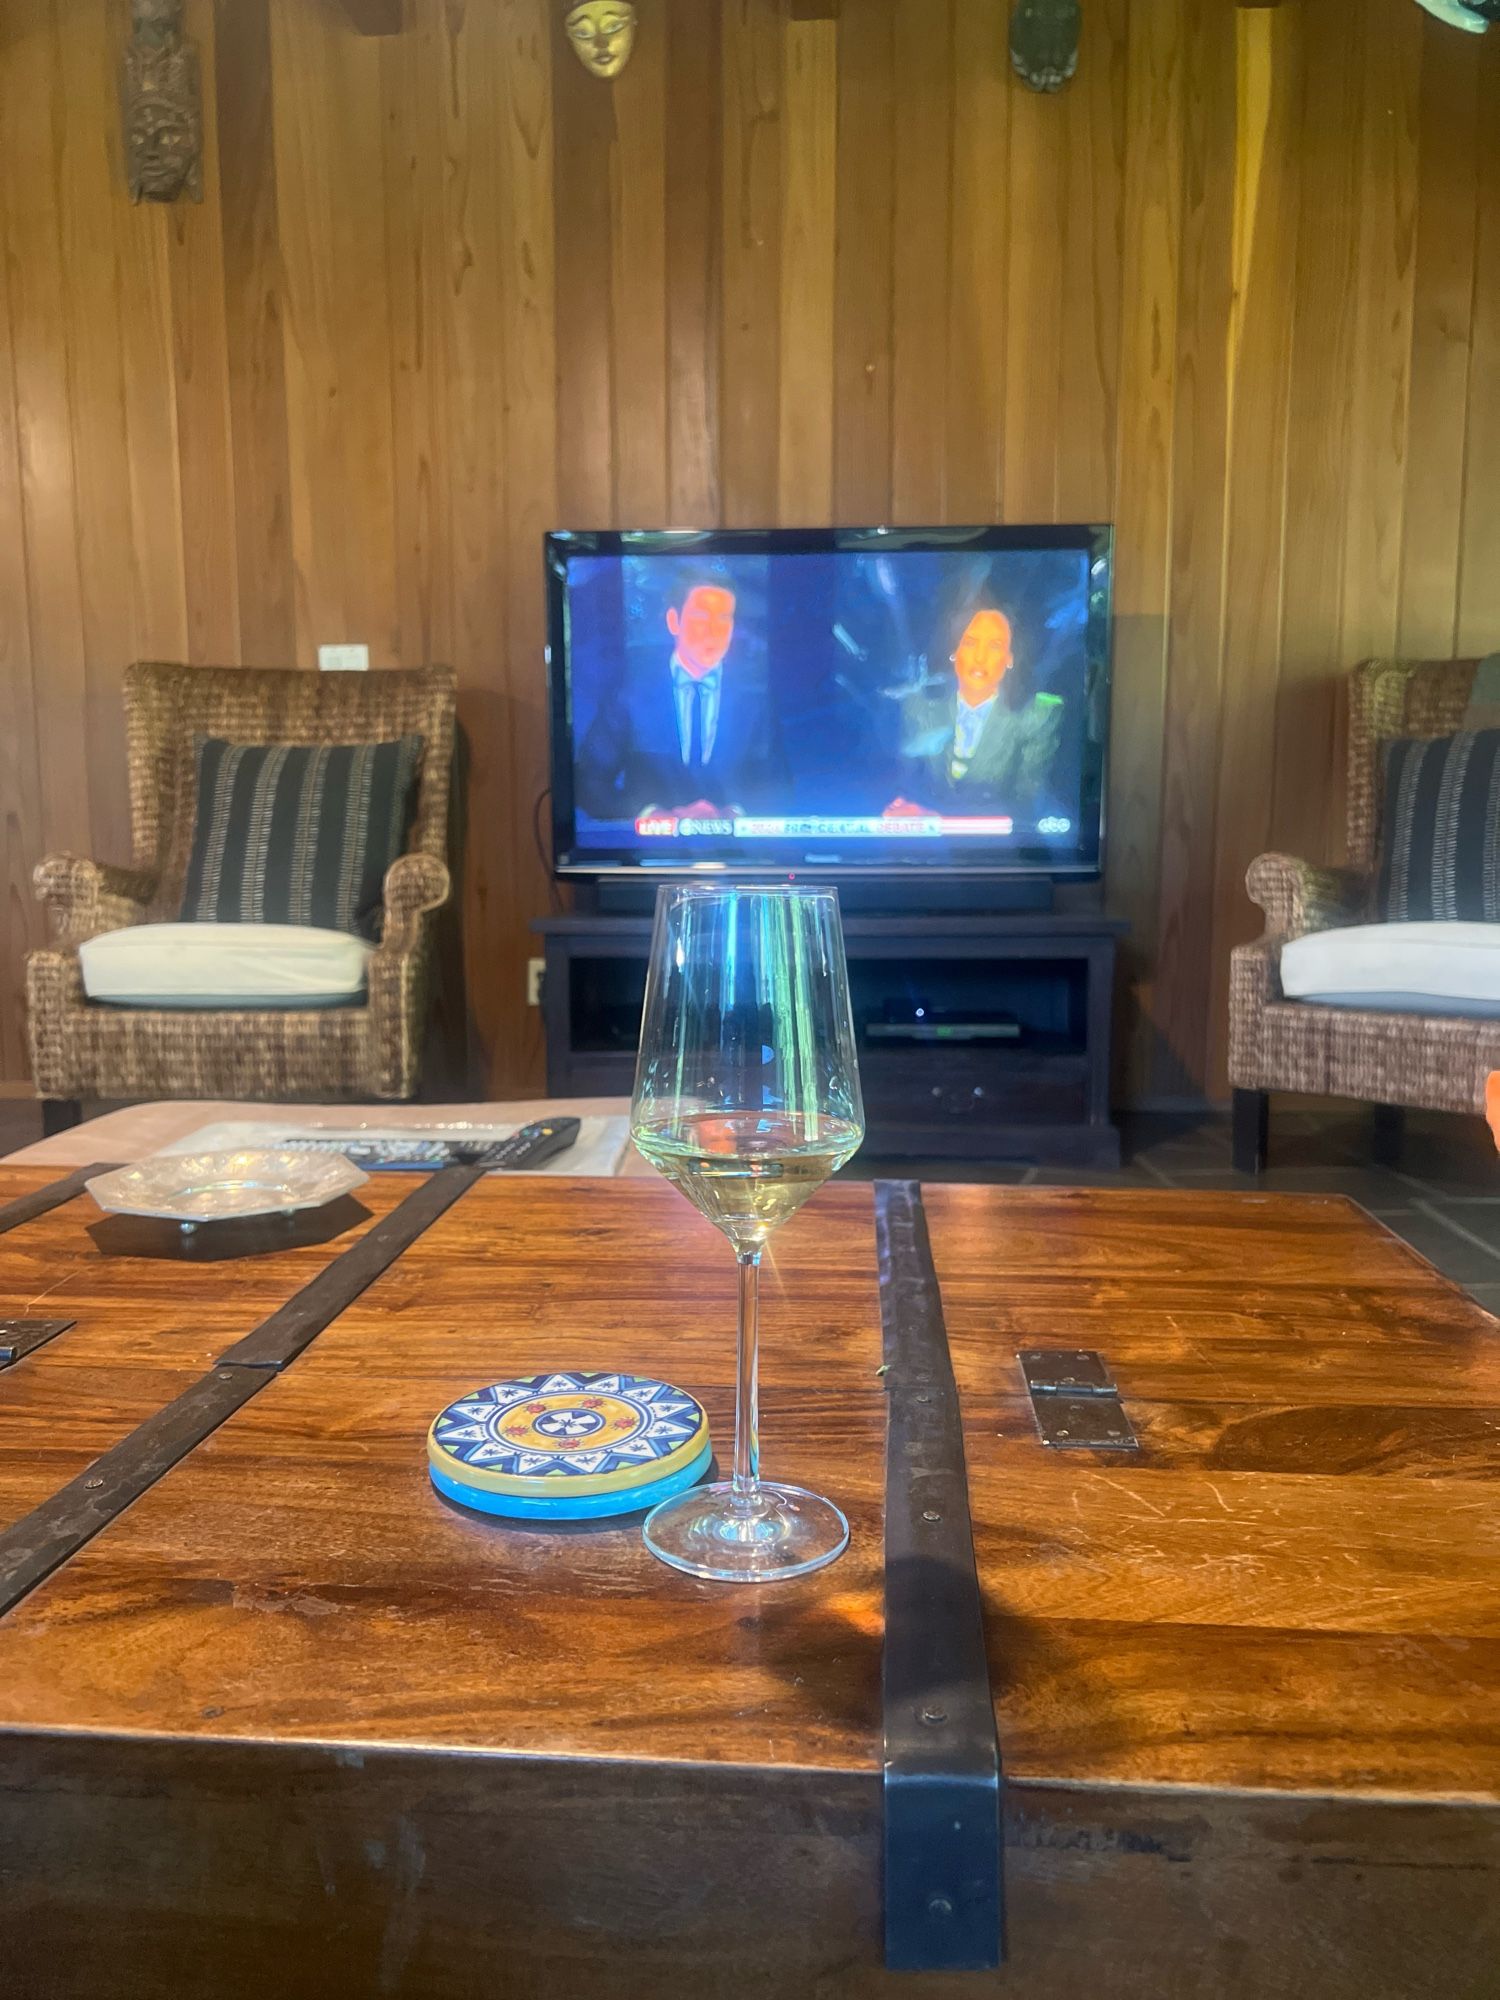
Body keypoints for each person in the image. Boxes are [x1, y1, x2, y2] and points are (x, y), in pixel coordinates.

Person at [576, 579, 782, 821]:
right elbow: (587, 781)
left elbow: (779, 784)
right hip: (649, 851)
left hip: (735, 852)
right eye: (701, 618)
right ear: (674, 621)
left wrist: (736, 814)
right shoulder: (630, 695)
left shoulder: (754, 699)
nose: (714, 631)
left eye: (724, 618)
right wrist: (648, 814)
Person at [885, 607, 1063, 818]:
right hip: (926, 845)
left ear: (1009, 659)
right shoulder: (918, 705)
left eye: (995, 646)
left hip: (1001, 846)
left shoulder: (1037, 715)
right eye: (970, 643)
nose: (980, 657)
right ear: (955, 652)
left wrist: (939, 819)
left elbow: (1027, 805)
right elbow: (903, 784)